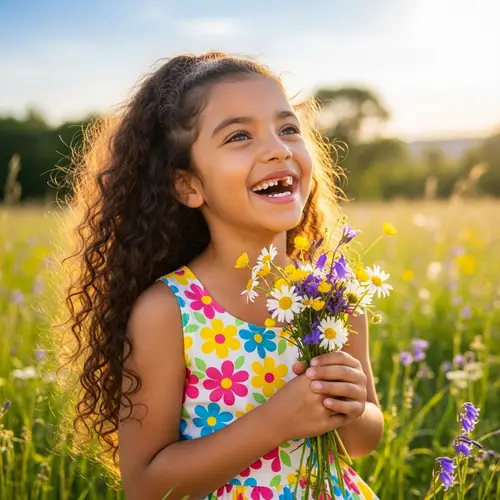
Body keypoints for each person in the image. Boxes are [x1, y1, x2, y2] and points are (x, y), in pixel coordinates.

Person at [61, 51, 384, 500]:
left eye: (288, 128)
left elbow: (363, 441)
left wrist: (349, 408)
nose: (278, 148)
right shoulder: (170, 310)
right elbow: (145, 485)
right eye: (238, 136)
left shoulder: (331, 295)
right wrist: (277, 421)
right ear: (188, 185)